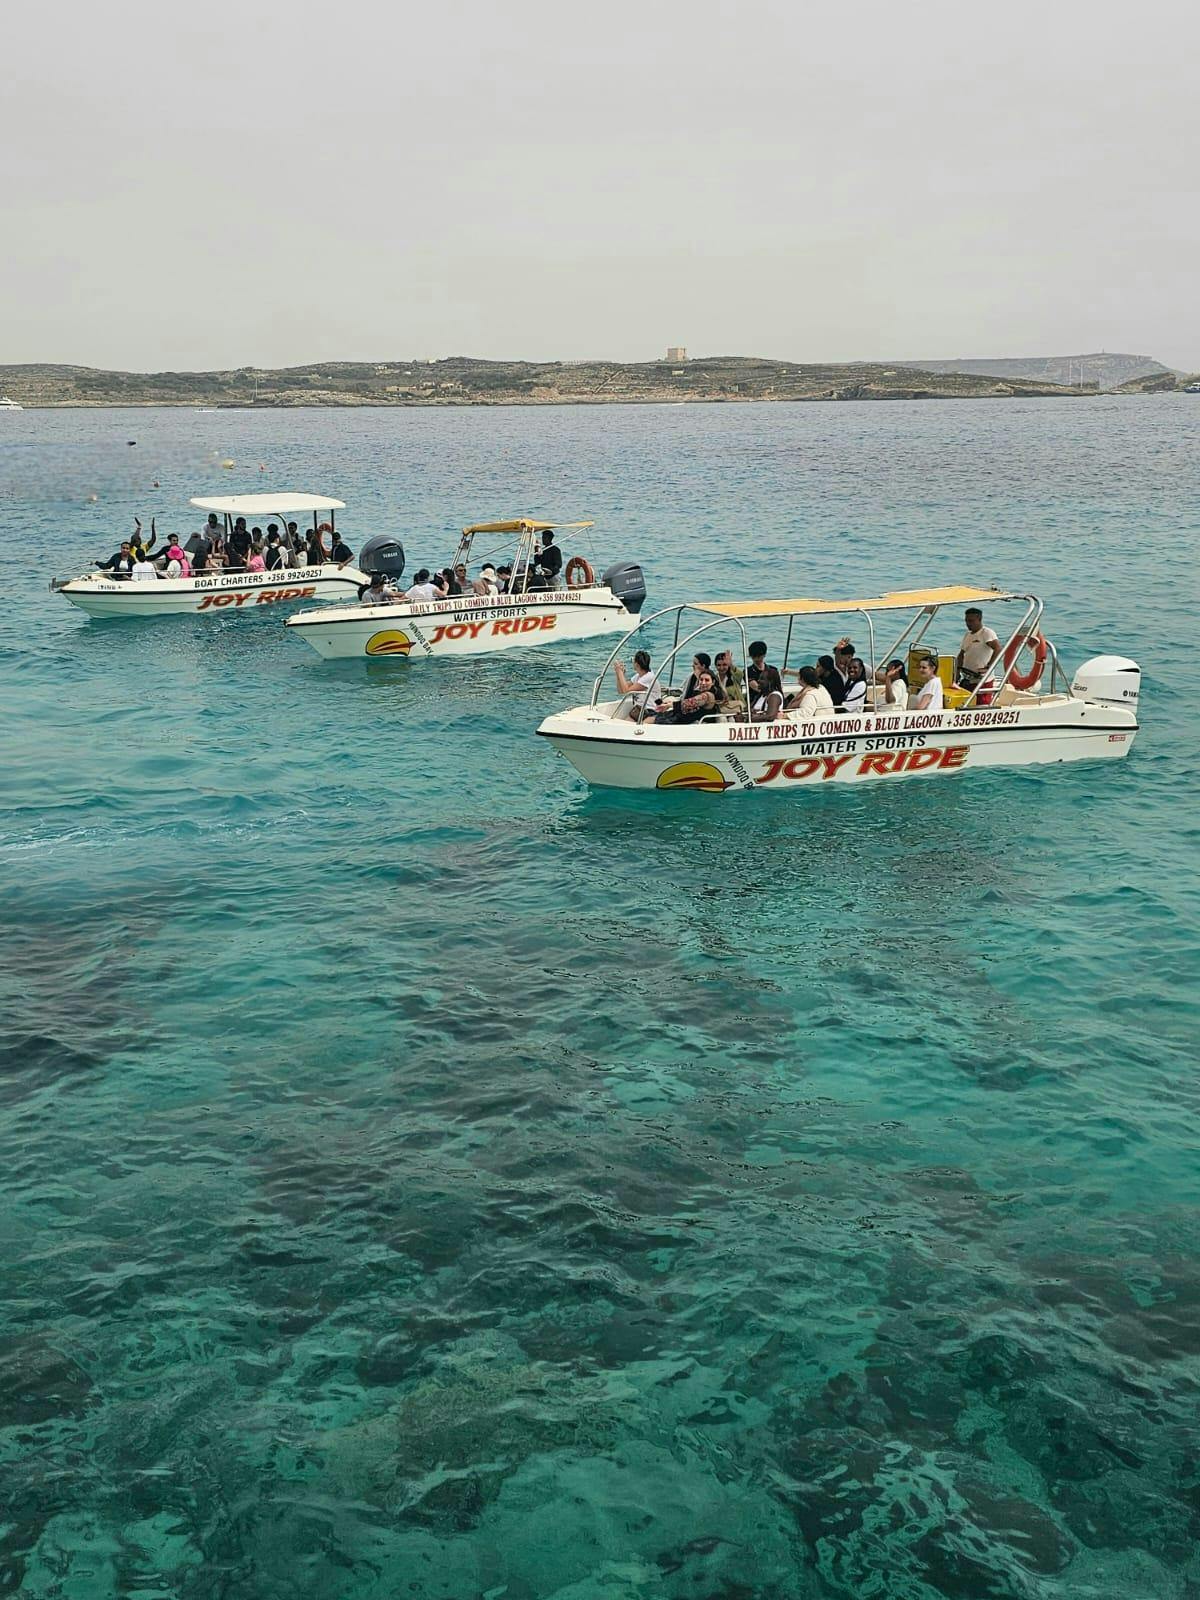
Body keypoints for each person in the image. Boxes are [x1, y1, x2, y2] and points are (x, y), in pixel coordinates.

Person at [954, 607, 1002, 692]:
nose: (968, 624)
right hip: (967, 676)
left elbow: (998, 648)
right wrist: (957, 670)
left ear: (979, 619)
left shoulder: (986, 633)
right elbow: (961, 654)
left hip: (982, 679)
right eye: (966, 621)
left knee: (981, 704)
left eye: (971, 621)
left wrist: (989, 666)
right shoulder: (967, 635)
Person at [654, 668, 719, 724]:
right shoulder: (700, 692)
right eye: (701, 679)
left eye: (707, 680)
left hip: (690, 723)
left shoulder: (708, 696)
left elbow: (690, 703)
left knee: (655, 719)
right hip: (683, 718)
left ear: (713, 682)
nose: (703, 682)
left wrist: (669, 705)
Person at [614, 649, 656, 718]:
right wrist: (618, 674)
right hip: (639, 709)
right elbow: (621, 691)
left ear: (636, 664)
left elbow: (626, 691)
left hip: (649, 710)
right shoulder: (638, 676)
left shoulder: (648, 677)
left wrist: (620, 672)